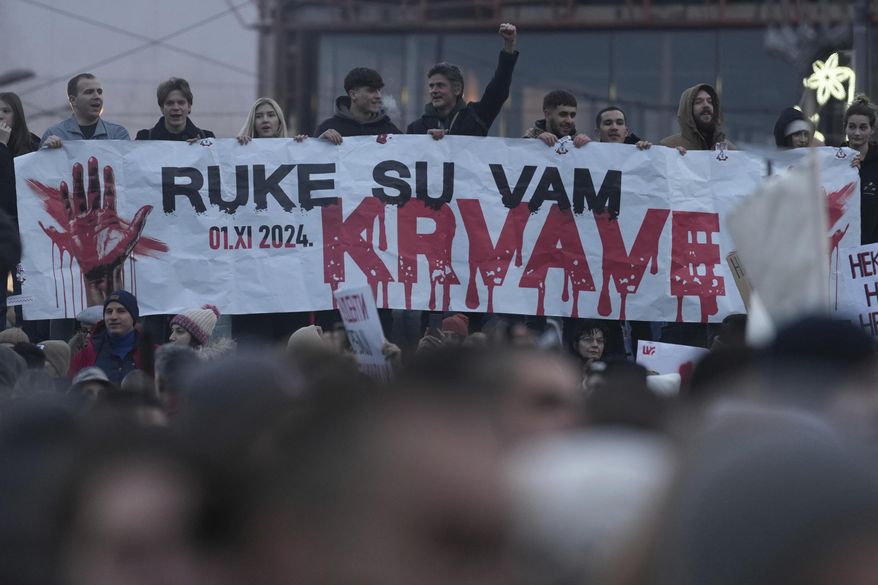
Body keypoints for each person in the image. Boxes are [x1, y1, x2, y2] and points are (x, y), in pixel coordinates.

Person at [407, 23, 518, 138]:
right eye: (431, 86)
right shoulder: (416, 128)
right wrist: (426, 142)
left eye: (440, 85)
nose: (434, 90)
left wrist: (509, 47)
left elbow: (497, 90)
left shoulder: (476, 117)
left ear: (457, 89)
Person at [68, 290, 152, 385]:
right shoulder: (86, 354)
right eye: (109, 311)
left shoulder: (152, 353)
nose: (113, 316)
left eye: (121, 311)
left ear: (133, 317)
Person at [41, 73, 130, 148]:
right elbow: (41, 168)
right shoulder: (55, 134)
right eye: (89, 92)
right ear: (73, 100)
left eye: (99, 92)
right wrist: (45, 152)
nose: (97, 96)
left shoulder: (118, 134)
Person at [315, 68, 400, 144]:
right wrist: (320, 143)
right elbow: (313, 159)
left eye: (379, 90)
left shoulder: (390, 131)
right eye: (371, 91)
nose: (378, 96)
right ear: (353, 95)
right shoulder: (327, 128)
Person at [844, 95, 878, 244]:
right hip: (840, 250)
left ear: (872, 130)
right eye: (852, 127)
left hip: (872, 253)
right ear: (845, 127)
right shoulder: (833, 160)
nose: (857, 133)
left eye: (863, 127)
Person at [660, 83, 735, 151]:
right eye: (698, 102)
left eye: (710, 101)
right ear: (687, 110)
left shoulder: (730, 150)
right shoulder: (668, 147)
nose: (706, 105)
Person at [136, 78, 214, 141]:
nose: (176, 108)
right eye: (170, 103)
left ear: (189, 106)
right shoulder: (144, 138)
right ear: (162, 108)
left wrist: (201, 152)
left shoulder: (207, 138)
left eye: (181, 103)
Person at [523, 89, 590, 147]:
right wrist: (536, 142)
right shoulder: (530, 138)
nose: (569, 121)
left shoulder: (580, 143)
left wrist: (587, 146)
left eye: (572, 115)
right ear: (547, 115)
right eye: (563, 114)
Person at [237, 97, 307, 143]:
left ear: (280, 121)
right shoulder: (242, 147)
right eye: (258, 116)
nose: (265, 120)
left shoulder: (291, 148)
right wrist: (239, 146)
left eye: (271, 115)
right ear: (253, 123)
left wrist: (301, 147)